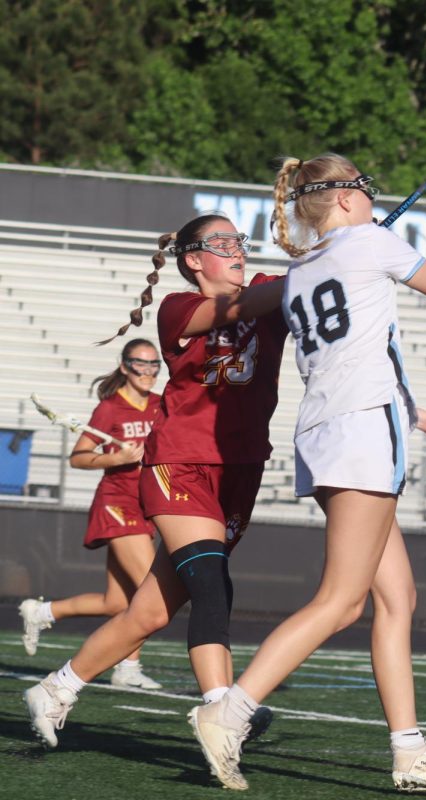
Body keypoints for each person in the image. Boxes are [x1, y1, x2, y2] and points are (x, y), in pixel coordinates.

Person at [186, 153, 426, 794]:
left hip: (337, 427)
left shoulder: (302, 267)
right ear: (342, 198)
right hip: (361, 432)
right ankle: (228, 711)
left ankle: (409, 750)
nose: (373, 196)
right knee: (340, 601)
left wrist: (421, 417)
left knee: (397, 598)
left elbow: (357, 355)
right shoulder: (368, 241)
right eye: (364, 188)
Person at [24, 213, 287, 749]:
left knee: (151, 609)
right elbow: (243, 307)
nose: (239, 248)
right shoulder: (179, 307)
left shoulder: (267, 289)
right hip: (182, 461)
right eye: (224, 242)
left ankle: (57, 686)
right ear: (194, 259)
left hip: (241, 468)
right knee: (212, 585)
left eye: (241, 240)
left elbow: (305, 295)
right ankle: (221, 710)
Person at [18, 339, 165, 690]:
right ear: (125, 366)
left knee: (116, 601)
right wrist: (116, 458)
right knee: (153, 589)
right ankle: (126, 668)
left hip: (147, 505)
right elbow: (79, 456)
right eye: (139, 364)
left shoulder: (163, 405)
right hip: (118, 503)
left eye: (153, 365)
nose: (146, 372)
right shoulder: (110, 409)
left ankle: (42, 612)